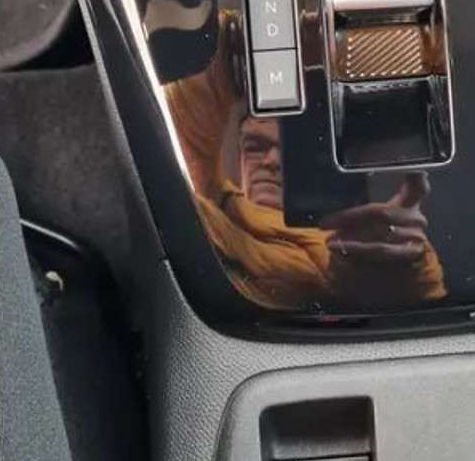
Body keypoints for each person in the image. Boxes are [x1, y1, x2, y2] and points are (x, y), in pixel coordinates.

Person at [163, 17, 445, 311]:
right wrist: (286, 44)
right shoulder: (203, 203)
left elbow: (419, 292)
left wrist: (400, 269)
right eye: (256, 147)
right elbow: (185, 96)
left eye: (291, 152)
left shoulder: (367, 239)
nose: (272, 161)